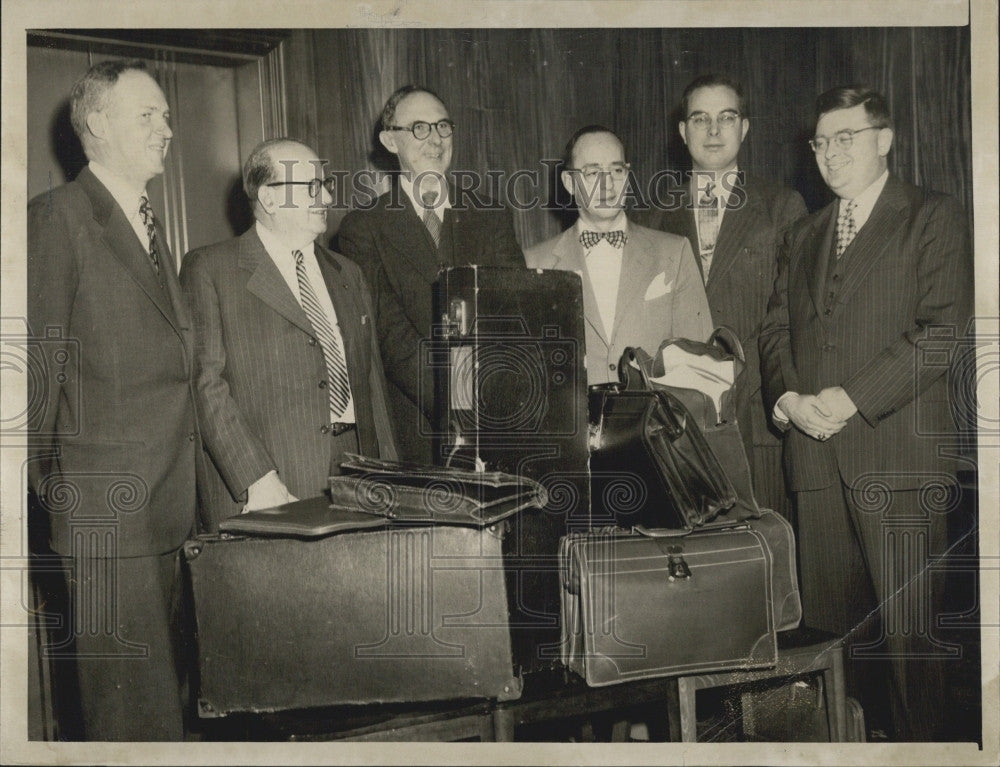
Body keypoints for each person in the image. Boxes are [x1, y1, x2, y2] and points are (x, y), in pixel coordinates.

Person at [759, 86, 973, 740]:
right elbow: (773, 329)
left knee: (911, 654)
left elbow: (941, 331)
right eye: (820, 143)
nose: (829, 154)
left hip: (899, 463)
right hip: (816, 467)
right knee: (833, 655)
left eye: (845, 138)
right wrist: (790, 399)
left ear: (884, 140)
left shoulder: (933, 216)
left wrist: (851, 398)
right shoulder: (802, 232)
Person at [27, 59, 196, 740]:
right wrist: (57, 489)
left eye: (167, 115)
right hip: (106, 516)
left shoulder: (146, 224)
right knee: (132, 723)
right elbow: (34, 370)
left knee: (165, 715)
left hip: (168, 511)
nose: (166, 129)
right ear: (96, 123)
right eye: (147, 115)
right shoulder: (59, 217)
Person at [181, 139, 398, 528]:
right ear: (269, 197)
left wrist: (390, 477)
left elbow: (372, 387)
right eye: (312, 187)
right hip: (271, 482)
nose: (327, 196)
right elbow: (205, 384)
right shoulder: (211, 269)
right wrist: (256, 479)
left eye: (326, 184)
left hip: (358, 478)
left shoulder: (347, 274)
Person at [645, 74, 807, 519]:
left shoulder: (782, 206)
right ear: (682, 132)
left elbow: (790, 315)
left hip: (758, 419)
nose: (713, 131)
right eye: (700, 119)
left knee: (765, 557)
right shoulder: (652, 215)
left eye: (726, 117)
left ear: (745, 128)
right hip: (680, 428)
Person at [337, 85, 524, 463]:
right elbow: (388, 334)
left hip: (496, 420)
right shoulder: (363, 227)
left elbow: (513, 308)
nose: (435, 140)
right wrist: (457, 402)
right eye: (419, 128)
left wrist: (494, 399)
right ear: (390, 140)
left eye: (443, 127)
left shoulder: (492, 214)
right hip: (414, 428)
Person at [525, 125, 712, 384]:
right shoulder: (533, 263)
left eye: (616, 170)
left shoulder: (674, 252)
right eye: (592, 172)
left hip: (655, 421)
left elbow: (700, 361)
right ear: (569, 182)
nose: (607, 183)